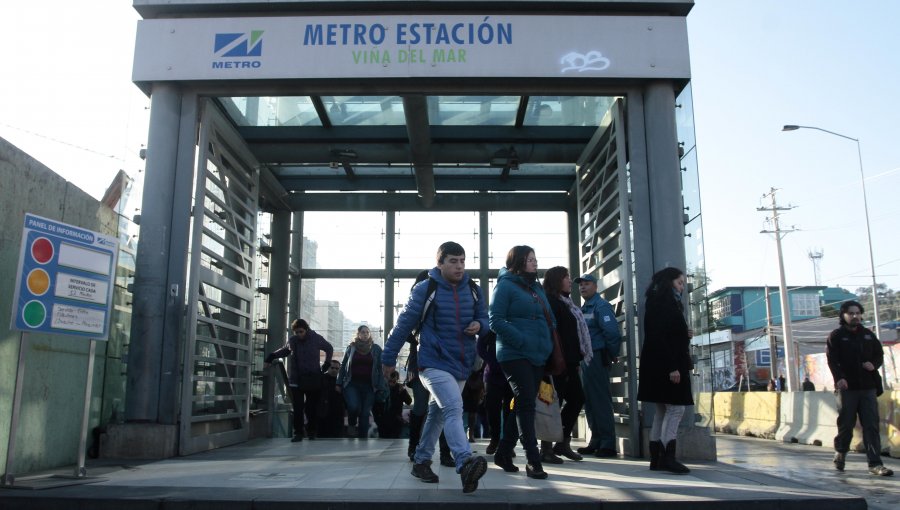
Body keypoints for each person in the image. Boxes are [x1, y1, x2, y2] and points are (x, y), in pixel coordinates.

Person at [382, 241, 489, 493]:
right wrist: (388, 358)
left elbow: (485, 318)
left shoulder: (474, 289)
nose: (459, 266)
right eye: (453, 261)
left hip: (461, 362)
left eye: (462, 261)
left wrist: (479, 325)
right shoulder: (425, 289)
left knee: (438, 414)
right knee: (453, 408)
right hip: (432, 361)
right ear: (440, 263)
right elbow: (404, 324)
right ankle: (465, 461)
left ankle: (421, 461)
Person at [489, 245, 554, 479]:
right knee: (526, 403)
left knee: (523, 402)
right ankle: (533, 459)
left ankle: (503, 451)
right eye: (530, 259)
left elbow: (549, 319)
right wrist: (523, 340)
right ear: (517, 262)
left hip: (538, 353)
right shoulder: (505, 286)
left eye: (535, 259)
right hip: (514, 354)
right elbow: (495, 320)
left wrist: (546, 344)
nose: (535, 263)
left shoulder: (536, 288)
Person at [636, 267, 694, 474]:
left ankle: (656, 458)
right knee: (676, 408)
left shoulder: (657, 301)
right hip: (667, 364)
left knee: (663, 409)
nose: (682, 286)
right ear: (670, 282)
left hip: (657, 364)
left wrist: (683, 333)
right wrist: (672, 368)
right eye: (679, 282)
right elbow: (659, 336)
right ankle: (667, 457)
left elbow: (664, 332)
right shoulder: (664, 303)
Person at [826, 300, 893, 477]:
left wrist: (874, 364)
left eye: (857, 313)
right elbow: (832, 360)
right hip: (847, 388)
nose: (855, 316)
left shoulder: (868, 335)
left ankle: (875, 464)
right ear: (843, 315)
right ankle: (840, 451)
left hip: (868, 387)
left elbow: (879, 354)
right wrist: (839, 378)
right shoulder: (837, 336)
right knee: (846, 425)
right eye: (851, 313)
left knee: (871, 425)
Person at [542, 266, 592, 463]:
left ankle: (562, 442)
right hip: (556, 363)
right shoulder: (552, 303)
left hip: (570, 362)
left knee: (577, 399)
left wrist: (576, 361)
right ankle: (546, 448)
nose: (570, 281)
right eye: (566, 277)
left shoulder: (567, 303)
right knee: (552, 405)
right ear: (556, 280)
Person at [575, 273, 622, 458]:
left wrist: (611, 353)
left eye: (587, 284)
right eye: (581, 285)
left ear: (595, 286)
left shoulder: (601, 306)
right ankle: (596, 440)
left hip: (597, 356)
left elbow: (612, 333)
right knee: (590, 400)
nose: (583, 287)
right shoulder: (585, 307)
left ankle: (608, 443)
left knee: (600, 400)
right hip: (587, 358)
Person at [265, 318, 334, 442]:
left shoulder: (316, 338)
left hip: (312, 378)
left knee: (310, 407)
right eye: (296, 332)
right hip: (296, 379)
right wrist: (272, 356)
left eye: (301, 331)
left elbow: (328, 348)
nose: (299, 334)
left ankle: (312, 431)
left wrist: (327, 363)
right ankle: (298, 432)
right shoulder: (293, 341)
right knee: (298, 407)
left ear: (306, 330)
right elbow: (285, 350)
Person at [336, 325, 387, 439]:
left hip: (369, 385)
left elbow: (380, 368)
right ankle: (352, 424)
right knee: (353, 406)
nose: (365, 334)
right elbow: (343, 365)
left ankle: (363, 439)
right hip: (352, 383)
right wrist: (339, 383)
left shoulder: (376, 349)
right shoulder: (351, 348)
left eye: (367, 332)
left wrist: (380, 385)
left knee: (365, 413)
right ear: (358, 334)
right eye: (363, 332)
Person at [476, 330, 515, 460]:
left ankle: (507, 444)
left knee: (510, 410)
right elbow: (480, 347)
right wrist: (491, 361)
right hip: (492, 374)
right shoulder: (490, 327)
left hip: (511, 373)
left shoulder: (513, 323)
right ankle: (495, 439)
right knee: (492, 408)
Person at [378, 370, 412, 438]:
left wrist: (403, 391)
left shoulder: (399, 389)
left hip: (396, 420)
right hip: (384, 420)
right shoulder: (383, 388)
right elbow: (377, 403)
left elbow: (409, 401)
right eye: (390, 380)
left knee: (395, 438)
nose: (392, 383)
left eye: (394, 380)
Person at [317, 359, 346, 437]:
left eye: (336, 368)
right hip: (323, 412)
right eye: (332, 368)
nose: (334, 370)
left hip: (337, 413)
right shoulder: (322, 379)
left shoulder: (342, 381)